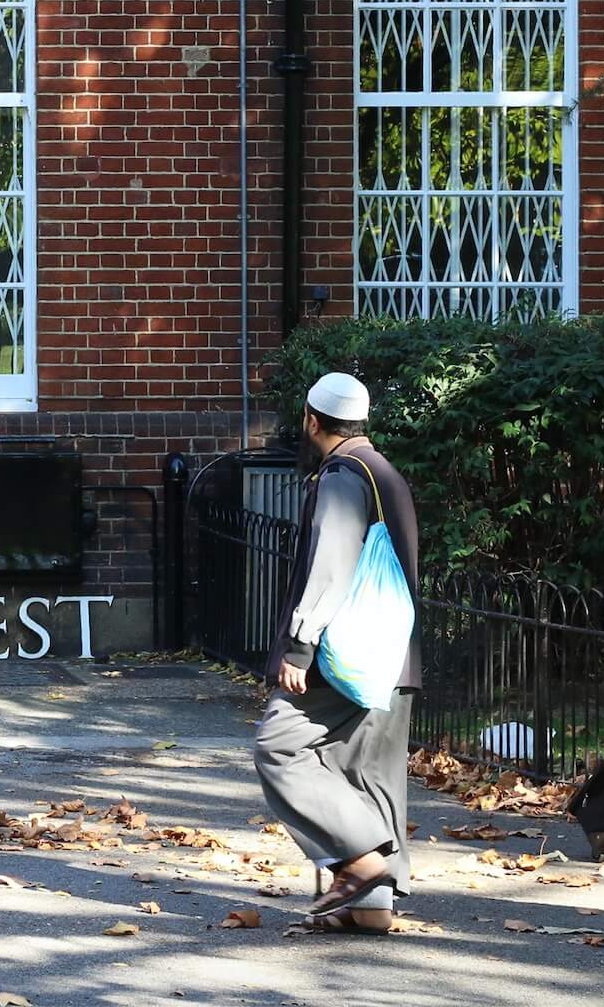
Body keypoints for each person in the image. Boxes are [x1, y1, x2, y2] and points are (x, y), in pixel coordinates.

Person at [253, 370, 421, 934]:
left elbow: (331, 565)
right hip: (392, 653)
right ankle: (371, 907)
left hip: (340, 655)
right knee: (368, 772)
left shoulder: (343, 475)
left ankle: (364, 862)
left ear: (311, 419)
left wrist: (299, 646)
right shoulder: (386, 475)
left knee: (279, 745)